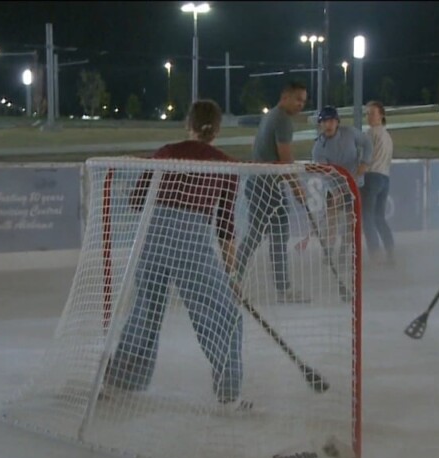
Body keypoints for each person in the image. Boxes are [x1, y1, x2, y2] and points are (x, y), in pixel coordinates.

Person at [106, 99, 249, 409]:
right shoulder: (227, 165)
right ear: (218, 130)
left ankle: (121, 384)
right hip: (192, 243)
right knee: (225, 316)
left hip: (154, 240)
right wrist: (232, 274)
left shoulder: (167, 153)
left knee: (145, 311)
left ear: (189, 125)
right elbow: (225, 227)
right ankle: (229, 395)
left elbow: (136, 201)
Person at [234, 81, 310, 303]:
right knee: (268, 236)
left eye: (303, 101)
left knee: (264, 235)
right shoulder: (282, 120)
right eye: (297, 99)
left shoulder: (272, 116)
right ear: (284, 97)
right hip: (266, 187)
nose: (300, 105)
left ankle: (237, 279)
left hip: (261, 184)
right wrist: (297, 188)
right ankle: (280, 289)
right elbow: (285, 160)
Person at [311, 105, 372, 270]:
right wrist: (336, 189)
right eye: (324, 122)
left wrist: (365, 162)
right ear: (320, 125)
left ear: (337, 122)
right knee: (331, 223)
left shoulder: (350, 133)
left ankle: (345, 253)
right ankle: (328, 253)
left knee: (351, 222)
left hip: (355, 186)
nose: (327, 125)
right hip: (334, 189)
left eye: (331, 121)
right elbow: (325, 174)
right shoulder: (318, 148)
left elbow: (367, 143)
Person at [362, 100, 395, 265]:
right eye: (367, 113)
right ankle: (390, 251)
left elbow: (365, 158)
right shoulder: (387, 135)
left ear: (381, 115)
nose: (368, 117)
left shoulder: (370, 133)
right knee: (379, 217)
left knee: (367, 216)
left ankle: (375, 254)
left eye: (372, 113)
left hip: (372, 177)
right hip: (385, 178)